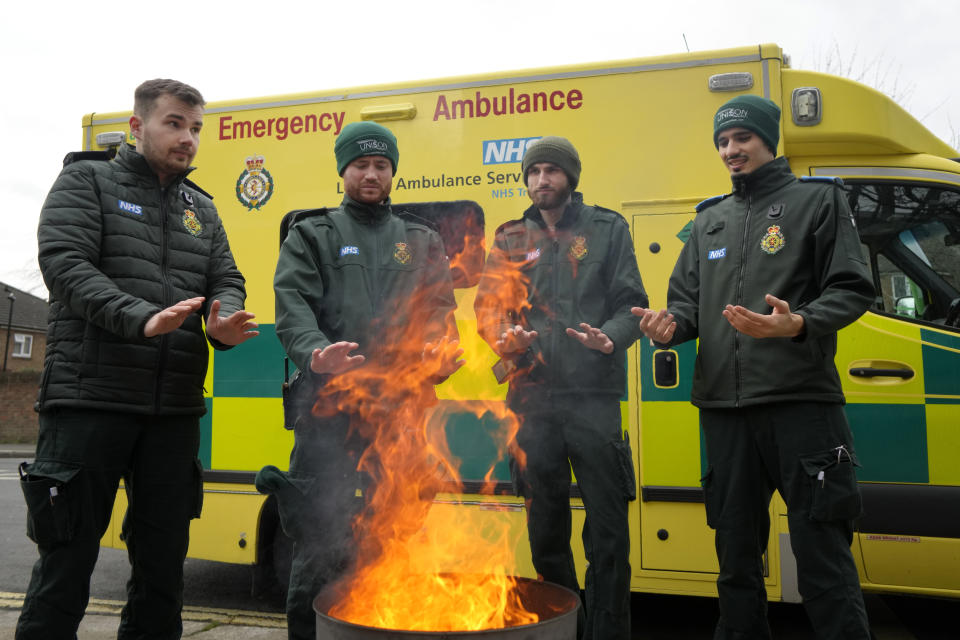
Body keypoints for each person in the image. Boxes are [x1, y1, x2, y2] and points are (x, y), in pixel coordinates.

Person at [16, 79, 258, 640]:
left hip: (173, 407)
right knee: (65, 565)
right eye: (174, 123)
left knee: (163, 569)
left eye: (195, 128)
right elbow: (65, 264)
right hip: (88, 400)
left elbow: (227, 276)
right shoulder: (86, 180)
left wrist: (224, 320)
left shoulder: (203, 207)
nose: (188, 138)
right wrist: (140, 317)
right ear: (136, 126)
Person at [632, 94, 874, 639]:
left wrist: (800, 323)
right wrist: (669, 324)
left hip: (800, 405)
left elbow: (853, 287)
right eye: (722, 141)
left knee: (824, 564)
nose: (730, 150)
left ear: (768, 139)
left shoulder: (818, 202)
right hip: (724, 410)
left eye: (741, 138)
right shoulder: (708, 221)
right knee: (736, 564)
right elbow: (686, 304)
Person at [257, 121, 463, 640]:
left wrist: (439, 354)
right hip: (328, 413)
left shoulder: (422, 240)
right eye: (361, 165)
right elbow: (292, 308)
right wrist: (314, 354)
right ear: (342, 170)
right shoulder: (313, 235)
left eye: (382, 165)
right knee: (318, 543)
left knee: (390, 541)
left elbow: (439, 312)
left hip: (401, 413)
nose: (372, 174)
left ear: (393, 172)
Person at [474, 136, 647, 640]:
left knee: (608, 535)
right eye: (533, 172)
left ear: (570, 176)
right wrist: (505, 338)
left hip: (593, 402)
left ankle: (608, 633)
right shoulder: (509, 238)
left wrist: (609, 338)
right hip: (531, 402)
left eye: (551, 171)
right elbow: (487, 309)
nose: (541, 181)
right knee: (546, 532)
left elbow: (631, 305)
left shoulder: (607, 229)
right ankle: (563, 629)